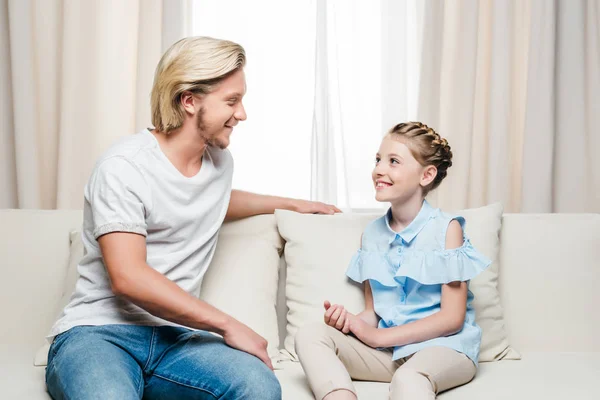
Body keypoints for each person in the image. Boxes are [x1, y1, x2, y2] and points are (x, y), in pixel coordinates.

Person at [45, 36, 340, 400]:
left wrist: (293, 204)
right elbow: (128, 277)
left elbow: (208, 199)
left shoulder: (218, 164)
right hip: (99, 333)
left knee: (258, 386)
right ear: (189, 101)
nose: (242, 114)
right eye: (231, 101)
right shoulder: (124, 167)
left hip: (176, 341)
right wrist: (228, 324)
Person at [294, 122, 491, 400]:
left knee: (408, 378)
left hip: (444, 349)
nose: (379, 169)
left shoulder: (448, 229)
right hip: (390, 354)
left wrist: (378, 338)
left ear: (426, 175)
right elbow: (374, 313)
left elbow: (452, 318)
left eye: (393, 161)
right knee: (311, 334)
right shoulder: (371, 235)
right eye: (378, 160)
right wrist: (349, 321)